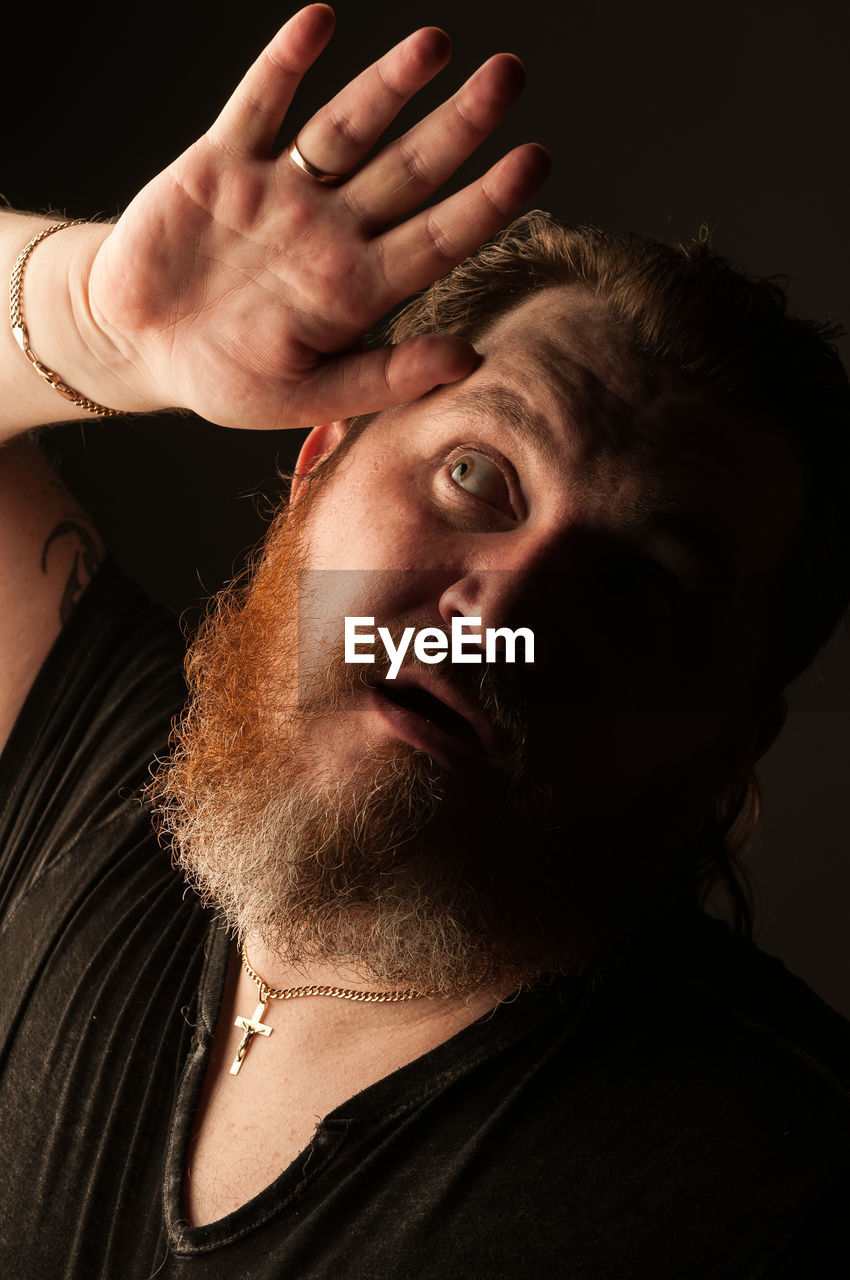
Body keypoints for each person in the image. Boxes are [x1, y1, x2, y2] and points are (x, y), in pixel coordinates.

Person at [0, 4, 848, 1276]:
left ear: (730, 731)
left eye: (638, 587)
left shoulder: (771, 1188)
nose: (500, 616)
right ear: (319, 463)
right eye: (475, 474)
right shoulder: (112, 780)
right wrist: (97, 324)